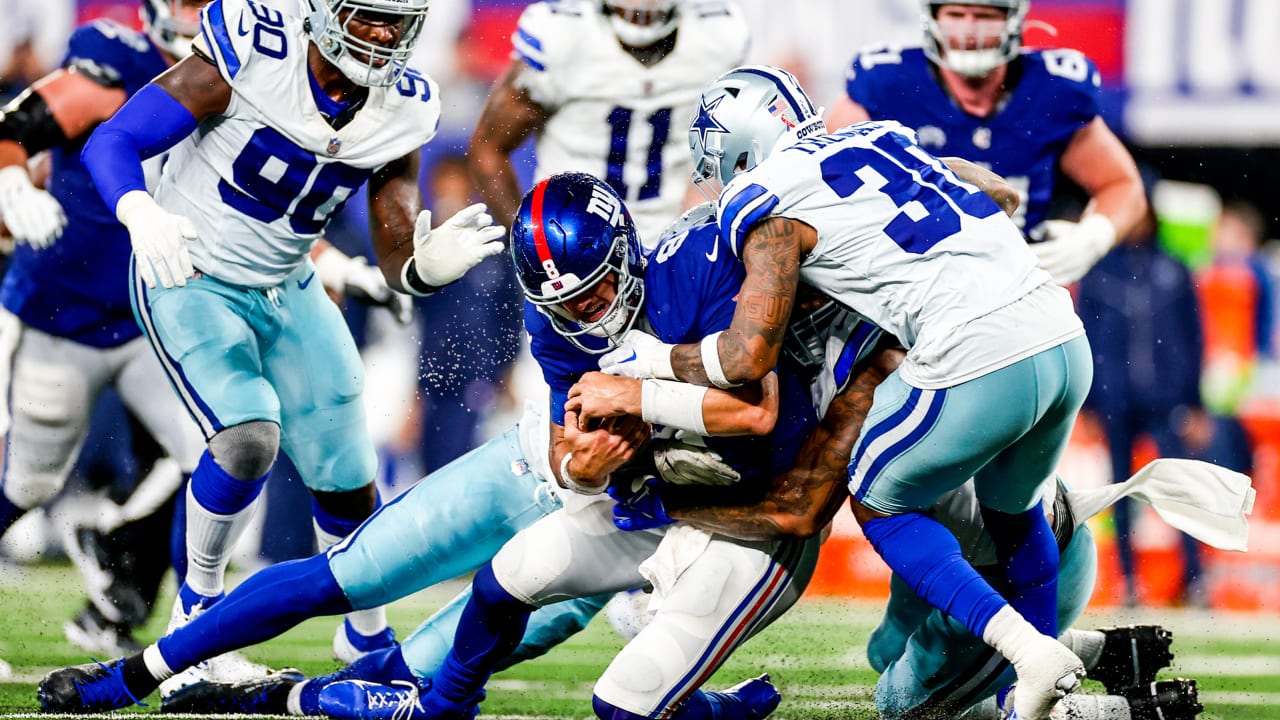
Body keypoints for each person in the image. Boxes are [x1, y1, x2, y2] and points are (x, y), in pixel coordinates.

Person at [33, 173, 786, 719]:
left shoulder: (699, 284)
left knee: (411, 680)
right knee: (345, 574)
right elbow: (568, 452)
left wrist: (637, 408)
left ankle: (276, 697)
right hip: (526, 473)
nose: (587, 311)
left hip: (619, 533)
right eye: (565, 301)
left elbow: (751, 403)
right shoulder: (556, 325)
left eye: (593, 289)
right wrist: (574, 468)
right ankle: (137, 673)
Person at [605, 64, 1090, 720]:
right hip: (1059, 330)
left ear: (743, 143)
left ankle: (1028, 655)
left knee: (878, 498)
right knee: (1013, 511)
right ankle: (1036, 697)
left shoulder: (765, 200)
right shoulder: (876, 137)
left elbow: (746, 358)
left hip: (978, 346)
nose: (708, 175)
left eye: (711, 154)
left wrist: (655, 360)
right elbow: (998, 192)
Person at [74, 0, 503, 673]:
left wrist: (421, 270)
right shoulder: (254, 54)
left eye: (397, 21)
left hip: (287, 284)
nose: (383, 33)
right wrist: (138, 211)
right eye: (367, 15)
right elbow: (111, 140)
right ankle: (200, 622)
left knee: (350, 477)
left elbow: (397, 246)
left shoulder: (405, 105)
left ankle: (365, 638)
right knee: (248, 439)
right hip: (190, 270)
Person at [0, 0, 209, 657]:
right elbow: (15, 128)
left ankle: (194, 634)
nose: (198, 12)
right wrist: (11, 182)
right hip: (63, 314)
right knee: (29, 484)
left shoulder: (247, 76)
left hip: (152, 315)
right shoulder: (118, 58)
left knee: (222, 452)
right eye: (188, 0)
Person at [827, 0, 1147, 287]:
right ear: (933, 15)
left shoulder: (1054, 87)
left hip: (1018, 283)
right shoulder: (887, 83)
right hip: (907, 285)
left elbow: (1122, 185)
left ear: (1013, 16)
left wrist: (1092, 238)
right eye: (955, 14)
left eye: (984, 15)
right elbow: (818, 183)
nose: (969, 30)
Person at [466, 0, 749, 248]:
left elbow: (744, 147)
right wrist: (531, 243)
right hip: (574, 250)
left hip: (678, 247)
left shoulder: (718, 35)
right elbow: (488, 149)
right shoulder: (562, 36)